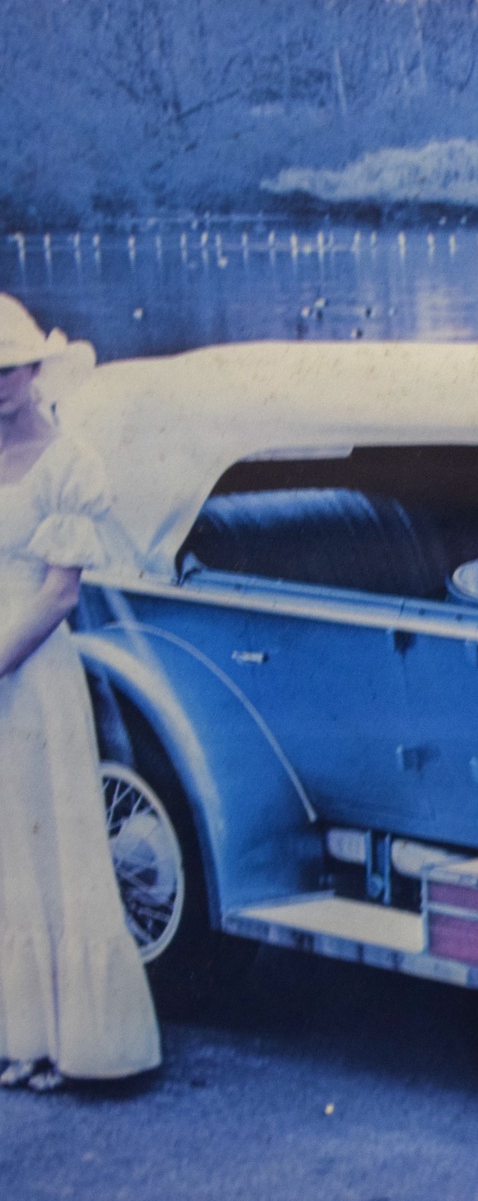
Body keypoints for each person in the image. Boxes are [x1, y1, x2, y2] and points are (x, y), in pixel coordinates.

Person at [0, 295, 159, 1090]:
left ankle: (77, 1040)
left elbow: (60, 595)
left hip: (30, 672)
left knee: (54, 844)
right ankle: (20, 1035)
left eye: (10, 368)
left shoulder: (69, 462)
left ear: (36, 372)